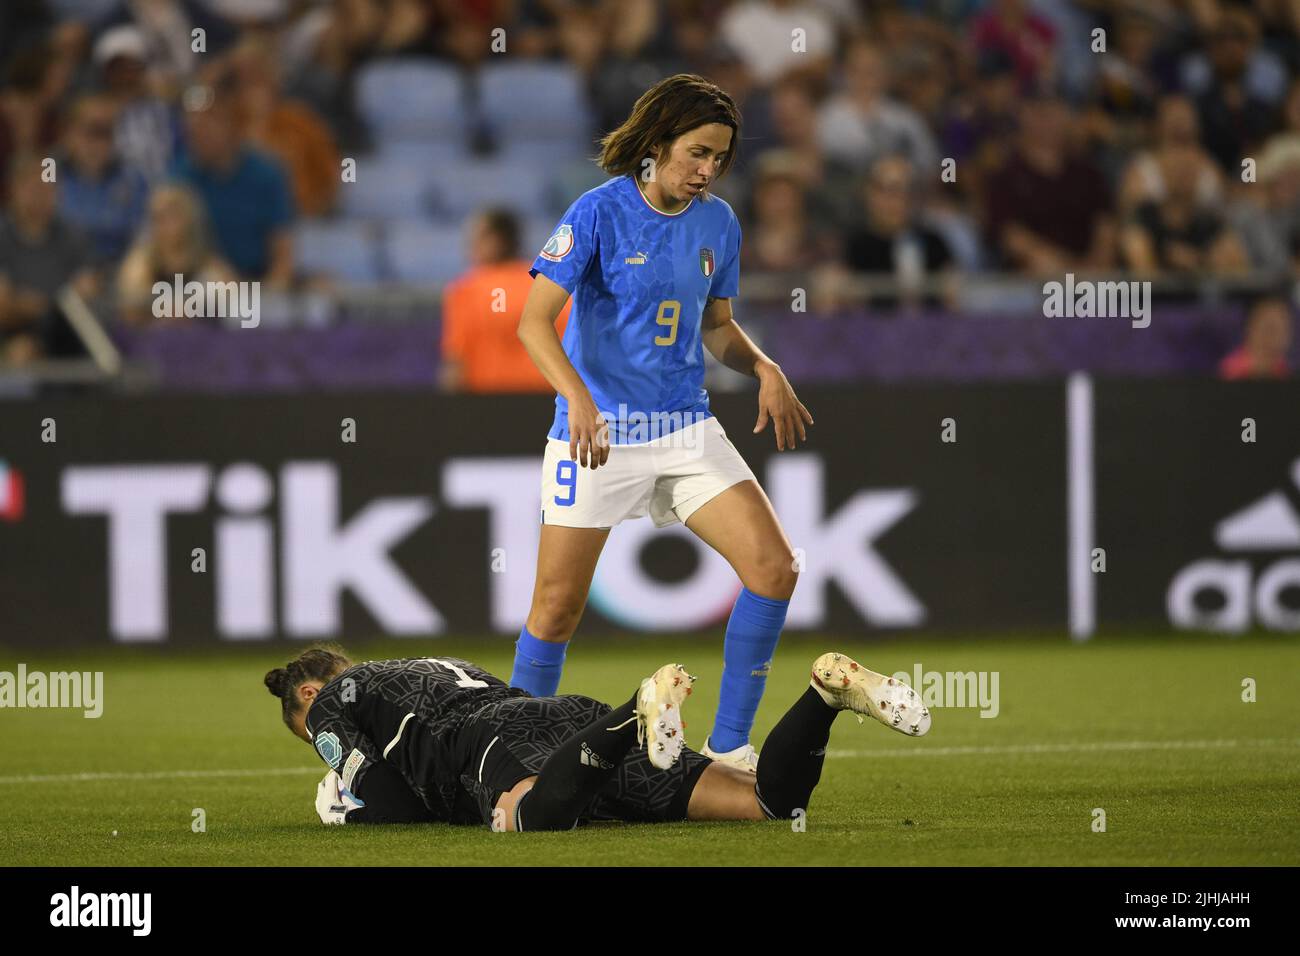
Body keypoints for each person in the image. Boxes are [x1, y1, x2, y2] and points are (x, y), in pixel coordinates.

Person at [513, 74, 813, 773]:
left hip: (686, 430)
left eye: (719, 159)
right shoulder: (596, 212)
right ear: (657, 142)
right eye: (697, 152)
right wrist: (578, 399)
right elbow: (532, 324)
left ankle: (731, 749)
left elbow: (719, 329)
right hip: (599, 436)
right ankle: (513, 758)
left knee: (774, 569)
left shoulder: (719, 223)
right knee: (555, 612)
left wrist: (764, 365)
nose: (707, 171)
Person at [264, 646, 931, 830]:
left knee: (528, 819)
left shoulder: (330, 704)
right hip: (562, 722)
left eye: (307, 735)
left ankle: (633, 715)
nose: (316, 741)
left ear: (307, 695)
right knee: (768, 805)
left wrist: (350, 809)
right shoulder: (433, 663)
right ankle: (823, 694)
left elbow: (399, 809)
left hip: (492, 744)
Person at [440, 208, 570, 393]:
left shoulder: (466, 290)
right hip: (549, 398)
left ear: (496, 240)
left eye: (476, 238)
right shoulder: (550, 282)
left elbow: (456, 363)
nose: (469, 246)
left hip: (490, 405)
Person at [1219, 297, 1292, 381]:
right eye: (1271, 328)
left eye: (1284, 328)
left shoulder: (1285, 371)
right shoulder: (1230, 372)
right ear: (1250, 327)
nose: (1278, 337)